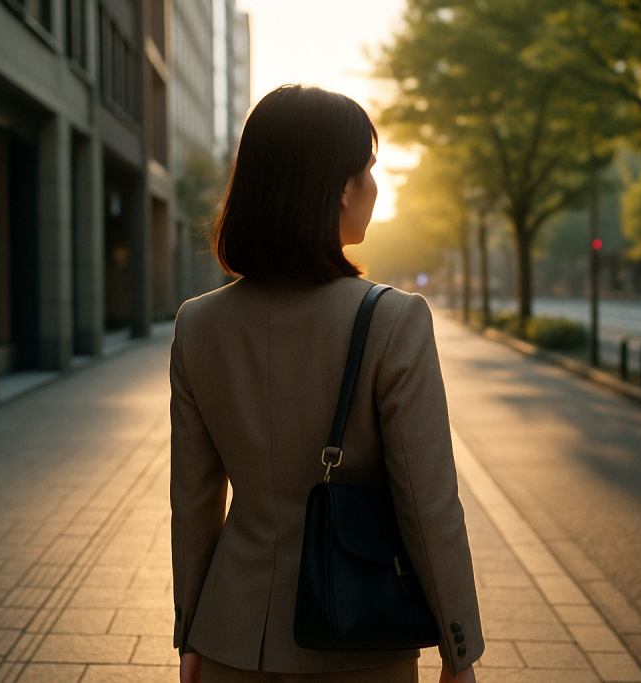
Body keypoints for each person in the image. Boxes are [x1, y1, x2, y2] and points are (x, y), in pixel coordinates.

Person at [170, 84, 483, 683]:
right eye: (368, 169)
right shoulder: (393, 320)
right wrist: (457, 645)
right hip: (359, 641)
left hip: (231, 639)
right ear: (341, 188)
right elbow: (428, 503)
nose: (374, 185)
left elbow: (193, 503)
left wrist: (190, 633)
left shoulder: (198, 324)